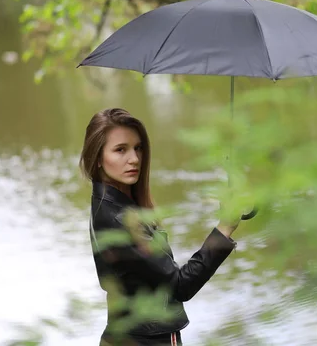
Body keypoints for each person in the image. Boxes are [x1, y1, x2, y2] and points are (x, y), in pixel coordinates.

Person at [79, 108, 243, 346]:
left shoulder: (109, 203)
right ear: (98, 158)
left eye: (138, 148)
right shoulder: (121, 220)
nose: (134, 158)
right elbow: (180, 286)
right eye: (120, 150)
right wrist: (225, 228)